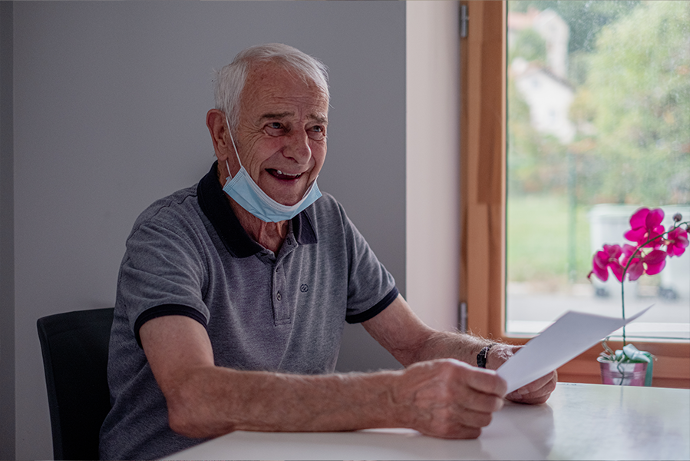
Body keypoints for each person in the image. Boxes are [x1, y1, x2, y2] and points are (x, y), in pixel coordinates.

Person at [99, 43, 557, 460]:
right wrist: (395, 399)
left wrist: (495, 360)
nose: (300, 151)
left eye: (315, 128)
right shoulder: (166, 234)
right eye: (276, 125)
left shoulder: (327, 220)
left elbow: (417, 343)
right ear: (222, 134)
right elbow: (193, 398)